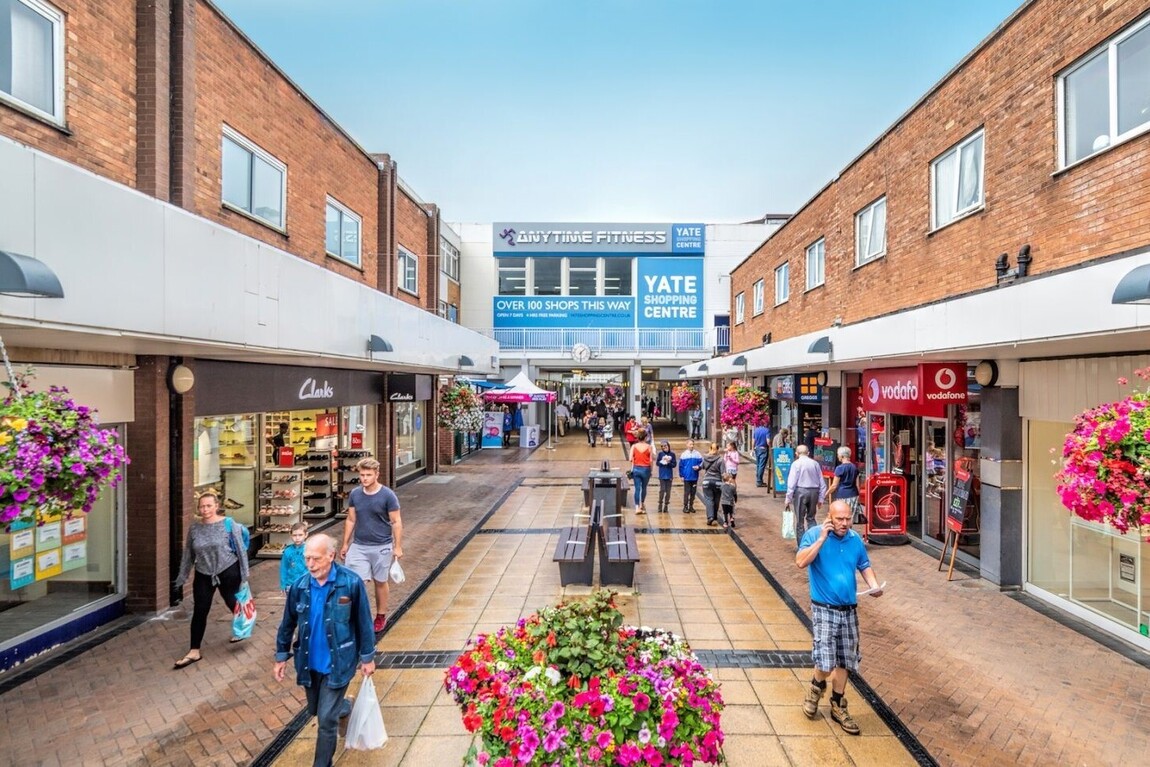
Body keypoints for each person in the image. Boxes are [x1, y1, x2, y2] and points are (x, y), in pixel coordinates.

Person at [274, 534, 376, 767]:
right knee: (316, 710)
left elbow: (364, 622)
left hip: (338, 663)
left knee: (326, 721)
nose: (310, 564)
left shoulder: (350, 583)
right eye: (307, 558)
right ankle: (343, 707)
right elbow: (287, 623)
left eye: (316, 559)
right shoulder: (300, 587)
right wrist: (281, 655)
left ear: (331, 556)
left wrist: (367, 657)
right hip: (309, 663)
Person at [795, 500, 883, 735]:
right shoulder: (814, 535)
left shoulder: (854, 540)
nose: (844, 523)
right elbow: (801, 562)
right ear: (829, 518)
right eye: (839, 519)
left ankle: (838, 704)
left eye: (848, 519)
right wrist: (822, 539)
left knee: (846, 660)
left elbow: (864, 565)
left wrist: (873, 585)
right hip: (824, 608)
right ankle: (816, 688)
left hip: (849, 609)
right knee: (825, 661)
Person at [172, 491, 251, 669]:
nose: (205, 509)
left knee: (232, 602)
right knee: (200, 610)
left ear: (216, 506)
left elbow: (240, 549)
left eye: (208, 506)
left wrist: (245, 574)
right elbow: (188, 554)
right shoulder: (195, 528)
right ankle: (194, 650)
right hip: (204, 572)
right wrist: (182, 576)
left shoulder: (229, 524)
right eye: (202, 506)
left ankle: (242, 628)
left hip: (228, 569)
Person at [339, 458, 403, 633]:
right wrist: (345, 544)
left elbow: (396, 521)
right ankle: (358, 617)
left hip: (382, 546)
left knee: (380, 581)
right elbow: (351, 519)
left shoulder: (388, 495)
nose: (364, 478)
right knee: (355, 582)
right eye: (362, 475)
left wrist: (398, 546)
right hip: (359, 545)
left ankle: (381, 615)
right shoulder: (355, 494)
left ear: (376, 475)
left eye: (368, 475)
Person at [785, 445, 827, 545]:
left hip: (800, 492)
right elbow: (822, 483)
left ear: (796, 453)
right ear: (808, 453)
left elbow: (791, 483)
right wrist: (821, 498)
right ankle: (814, 543)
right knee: (811, 518)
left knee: (800, 521)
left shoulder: (796, 464)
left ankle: (802, 545)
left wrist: (788, 498)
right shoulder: (815, 464)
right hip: (814, 492)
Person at [828, 446, 863, 523]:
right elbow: (857, 485)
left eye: (838, 455)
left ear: (842, 456)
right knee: (850, 518)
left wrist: (825, 494)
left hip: (842, 495)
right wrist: (858, 497)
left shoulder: (839, 468)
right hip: (854, 495)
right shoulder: (854, 467)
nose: (838, 456)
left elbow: (834, 485)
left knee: (841, 518)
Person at [699, 442, 725, 526]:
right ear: (718, 449)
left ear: (710, 448)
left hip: (707, 481)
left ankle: (710, 517)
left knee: (709, 499)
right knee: (716, 500)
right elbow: (723, 473)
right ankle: (714, 517)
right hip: (717, 482)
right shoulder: (721, 460)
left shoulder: (705, 458)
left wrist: (696, 468)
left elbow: (701, 467)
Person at [280, 521, 309, 593]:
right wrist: (283, 584)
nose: (297, 538)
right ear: (290, 535)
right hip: (291, 584)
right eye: (294, 535)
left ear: (306, 535)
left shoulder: (309, 549)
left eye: (300, 535)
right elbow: (284, 568)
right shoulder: (287, 551)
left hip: (306, 584)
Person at [629, 435, 653, 513]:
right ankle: (642, 504)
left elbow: (630, 459)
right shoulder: (649, 447)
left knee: (637, 488)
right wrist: (651, 470)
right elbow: (651, 460)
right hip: (646, 469)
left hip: (636, 469)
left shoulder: (634, 446)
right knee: (644, 487)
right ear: (645, 437)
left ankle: (637, 507)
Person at [678, 439, 703, 513]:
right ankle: (685, 506)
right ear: (687, 445)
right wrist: (681, 475)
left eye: (693, 444)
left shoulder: (697, 454)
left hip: (694, 476)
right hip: (687, 477)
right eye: (690, 444)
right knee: (687, 492)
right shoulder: (684, 454)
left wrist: (698, 467)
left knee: (693, 492)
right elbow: (681, 466)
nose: (692, 446)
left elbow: (701, 463)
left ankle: (691, 505)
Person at [654, 439, 677, 514]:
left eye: (665, 446)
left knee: (668, 491)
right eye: (662, 446)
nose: (664, 447)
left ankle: (666, 504)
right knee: (662, 490)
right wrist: (662, 461)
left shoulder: (672, 454)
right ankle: (660, 503)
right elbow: (657, 463)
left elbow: (674, 464)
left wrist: (669, 462)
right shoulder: (660, 454)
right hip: (662, 475)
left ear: (668, 446)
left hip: (669, 475)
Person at [752, 423, 771, 487]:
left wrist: (753, 448)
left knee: (758, 465)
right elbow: (768, 441)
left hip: (757, 448)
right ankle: (759, 481)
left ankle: (759, 480)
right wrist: (770, 447)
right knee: (762, 465)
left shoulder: (756, 430)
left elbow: (753, 441)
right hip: (763, 448)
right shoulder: (767, 430)